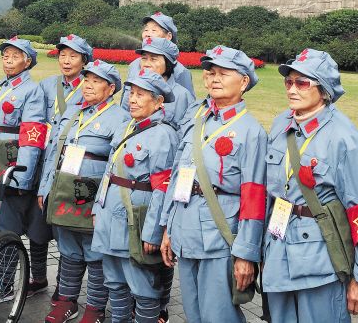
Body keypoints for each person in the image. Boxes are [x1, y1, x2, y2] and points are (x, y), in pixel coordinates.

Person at [263, 48, 358, 322]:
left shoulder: (344, 137)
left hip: (320, 257)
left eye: (302, 83)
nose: (292, 89)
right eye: (288, 82)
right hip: (278, 249)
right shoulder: (281, 123)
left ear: (323, 90)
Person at [160, 45, 267, 323]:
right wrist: (169, 228)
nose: (214, 79)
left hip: (220, 236)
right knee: (194, 313)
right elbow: (178, 174)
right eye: (210, 72)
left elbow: (254, 197)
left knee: (219, 315)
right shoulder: (197, 117)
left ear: (244, 82)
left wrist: (246, 254)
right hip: (186, 229)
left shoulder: (250, 131)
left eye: (224, 73)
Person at [39, 60, 128, 323]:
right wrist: (45, 188)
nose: (87, 85)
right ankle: (66, 302)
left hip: (92, 195)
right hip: (63, 190)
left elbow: (115, 167)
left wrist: (103, 205)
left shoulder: (119, 118)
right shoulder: (73, 112)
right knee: (68, 250)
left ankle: (95, 307)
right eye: (86, 79)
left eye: (96, 81)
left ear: (110, 88)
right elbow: (54, 153)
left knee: (95, 253)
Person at [92, 69, 180, 323]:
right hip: (111, 217)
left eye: (141, 95)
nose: (132, 99)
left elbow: (163, 188)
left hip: (136, 222)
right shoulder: (124, 128)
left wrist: (153, 231)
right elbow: (109, 172)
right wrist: (98, 208)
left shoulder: (164, 135)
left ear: (158, 101)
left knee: (142, 287)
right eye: (131, 93)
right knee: (115, 282)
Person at [0, 37, 51, 295]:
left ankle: (4, 284)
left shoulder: (33, 91)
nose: (7, 59)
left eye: (15, 55)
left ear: (27, 61)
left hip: (11, 164)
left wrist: (24, 177)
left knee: (7, 228)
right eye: (5, 54)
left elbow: (33, 136)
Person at [120, 37, 195, 125]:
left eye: (153, 59)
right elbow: (125, 119)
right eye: (144, 58)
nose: (146, 64)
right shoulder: (133, 89)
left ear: (168, 63)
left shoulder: (182, 96)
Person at [126, 12, 195, 96]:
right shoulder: (134, 65)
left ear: (168, 36)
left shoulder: (180, 71)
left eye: (154, 30)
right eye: (146, 30)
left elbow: (186, 102)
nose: (147, 34)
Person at [40, 34, 93, 124]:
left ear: (84, 61)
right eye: (63, 55)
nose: (66, 61)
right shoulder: (46, 84)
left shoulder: (91, 89)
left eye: (73, 57)